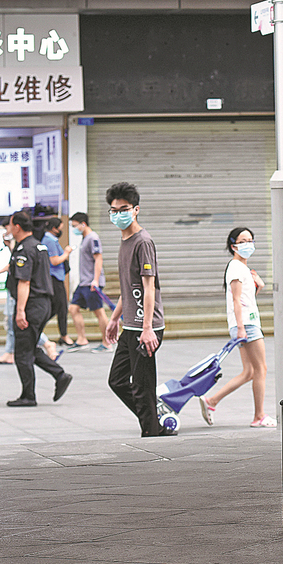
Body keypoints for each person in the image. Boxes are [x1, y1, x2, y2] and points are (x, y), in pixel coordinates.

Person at [102, 182, 172, 437]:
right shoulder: (125, 241)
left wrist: (148, 328)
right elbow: (128, 288)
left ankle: (153, 431)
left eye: (124, 209)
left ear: (136, 209)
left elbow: (148, 287)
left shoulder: (143, 242)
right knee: (117, 380)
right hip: (130, 325)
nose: (118, 214)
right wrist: (114, 319)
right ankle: (153, 417)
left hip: (145, 327)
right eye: (114, 210)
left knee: (143, 385)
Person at [198, 227, 271, 427]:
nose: (248, 244)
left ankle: (211, 401)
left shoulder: (242, 268)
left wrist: (258, 286)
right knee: (261, 369)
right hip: (247, 324)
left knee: (249, 371)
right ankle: (259, 416)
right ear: (233, 246)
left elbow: (245, 299)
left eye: (250, 240)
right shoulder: (236, 267)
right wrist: (240, 328)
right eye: (243, 241)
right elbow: (236, 300)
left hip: (246, 322)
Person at [3, 210, 72, 407]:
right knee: (30, 348)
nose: (8, 228)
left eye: (10, 225)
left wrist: (20, 311)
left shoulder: (25, 249)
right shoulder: (38, 245)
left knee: (22, 353)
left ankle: (28, 396)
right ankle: (59, 375)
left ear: (17, 227)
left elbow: (24, 281)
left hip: (31, 305)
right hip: (43, 304)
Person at [67, 212, 113, 350]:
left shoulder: (93, 238)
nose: (74, 229)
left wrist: (96, 280)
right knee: (73, 308)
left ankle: (107, 342)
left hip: (91, 283)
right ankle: (82, 340)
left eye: (75, 226)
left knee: (99, 312)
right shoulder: (85, 238)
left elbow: (98, 259)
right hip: (83, 283)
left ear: (83, 224)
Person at [40, 217, 72, 346]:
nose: (61, 231)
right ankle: (64, 335)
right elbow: (54, 261)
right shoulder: (50, 241)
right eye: (60, 228)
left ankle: (37, 329)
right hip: (54, 278)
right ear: (54, 228)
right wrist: (67, 253)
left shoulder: (49, 239)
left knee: (55, 308)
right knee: (61, 307)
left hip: (56, 277)